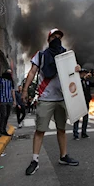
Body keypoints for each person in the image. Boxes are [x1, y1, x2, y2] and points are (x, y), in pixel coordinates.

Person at [22, 28, 81, 176]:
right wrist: (24, 90)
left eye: (59, 37)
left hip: (62, 98)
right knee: (40, 130)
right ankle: (34, 160)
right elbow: (32, 72)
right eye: (54, 36)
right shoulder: (41, 55)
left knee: (61, 129)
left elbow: (73, 73)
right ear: (48, 40)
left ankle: (63, 156)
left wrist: (77, 68)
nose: (57, 39)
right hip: (45, 98)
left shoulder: (66, 55)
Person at [73, 68, 94, 140]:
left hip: (86, 101)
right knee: (77, 118)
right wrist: (84, 78)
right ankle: (75, 134)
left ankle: (84, 133)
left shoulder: (87, 81)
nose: (85, 74)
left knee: (85, 118)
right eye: (83, 73)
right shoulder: (77, 81)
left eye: (85, 73)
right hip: (78, 101)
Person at [0, 69, 16, 137]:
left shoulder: (11, 81)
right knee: (3, 115)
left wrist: (14, 100)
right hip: (3, 100)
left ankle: (3, 130)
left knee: (7, 116)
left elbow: (12, 91)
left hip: (9, 100)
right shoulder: (1, 80)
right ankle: (0, 130)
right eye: (8, 72)